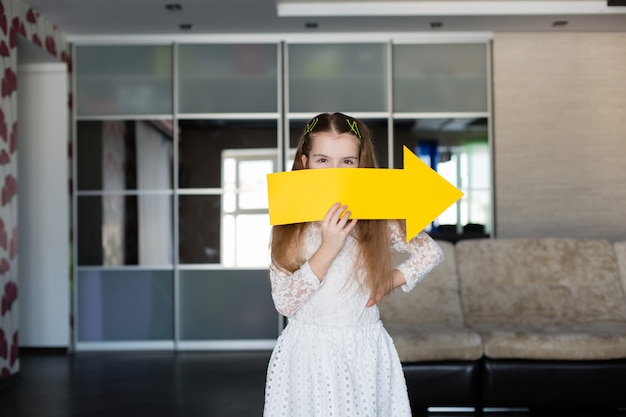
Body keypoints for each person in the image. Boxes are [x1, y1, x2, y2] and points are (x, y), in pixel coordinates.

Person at [263, 112, 443, 417]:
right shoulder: (289, 225)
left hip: (364, 350)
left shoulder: (378, 219)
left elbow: (431, 252)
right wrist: (328, 248)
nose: (336, 172)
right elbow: (283, 302)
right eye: (323, 160)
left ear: (361, 164)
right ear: (305, 162)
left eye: (347, 161)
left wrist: (389, 280)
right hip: (307, 354)